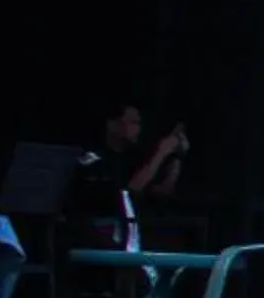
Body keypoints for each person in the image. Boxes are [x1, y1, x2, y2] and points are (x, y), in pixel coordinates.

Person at [76, 103, 187, 250]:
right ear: (113, 125)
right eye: (133, 122)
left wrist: (177, 157)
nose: (138, 129)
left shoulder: (132, 158)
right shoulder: (93, 157)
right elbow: (130, 191)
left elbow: (162, 191)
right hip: (98, 238)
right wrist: (162, 152)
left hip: (132, 237)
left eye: (139, 124)